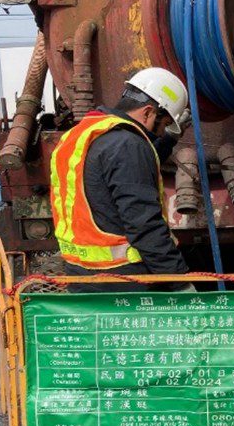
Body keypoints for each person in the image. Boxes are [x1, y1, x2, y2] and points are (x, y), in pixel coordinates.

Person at [50, 67, 194, 292]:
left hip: (81, 277)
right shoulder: (128, 145)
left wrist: (168, 140)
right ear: (148, 113)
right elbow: (144, 224)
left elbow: (113, 175)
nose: (160, 132)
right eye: (164, 124)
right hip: (125, 282)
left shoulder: (81, 135)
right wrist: (179, 282)